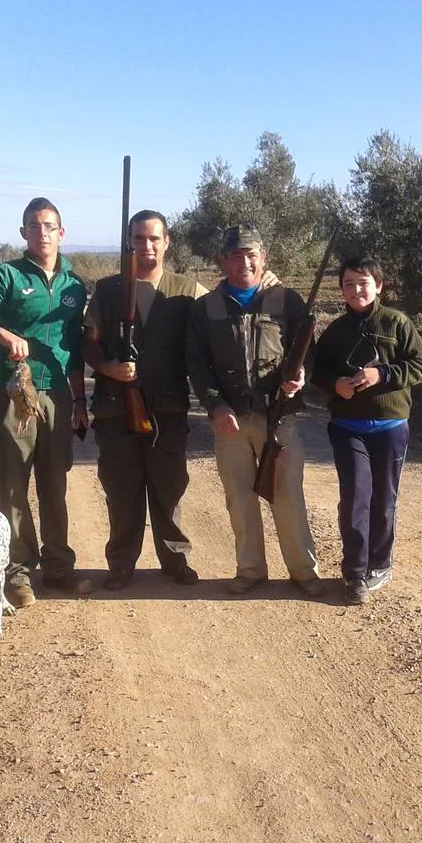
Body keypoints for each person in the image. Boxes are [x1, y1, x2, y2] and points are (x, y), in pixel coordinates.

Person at [0, 197, 92, 607]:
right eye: (33, 226)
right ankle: (17, 572)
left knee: (55, 485)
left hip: (59, 398)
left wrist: (80, 400)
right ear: (23, 232)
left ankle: (60, 567)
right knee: (13, 487)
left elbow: (76, 349)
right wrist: (0, 334)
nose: (41, 233)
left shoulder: (74, 285)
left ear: (61, 233)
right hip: (15, 396)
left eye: (49, 226)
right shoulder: (7, 276)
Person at [187, 225, 326, 597]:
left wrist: (301, 378)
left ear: (263, 257)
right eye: (235, 256)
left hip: (278, 418)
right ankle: (250, 570)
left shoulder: (288, 300)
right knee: (240, 497)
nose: (244, 263)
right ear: (223, 261)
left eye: (251, 255)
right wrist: (214, 406)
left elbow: (309, 353)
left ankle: (303, 571)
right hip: (230, 420)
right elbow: (197, 365)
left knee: (288, 496)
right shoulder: (206, 307)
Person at [81, 210, 206, 590]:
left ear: (167, 242)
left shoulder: (190, 290)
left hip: (167, 411)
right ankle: (120, 565)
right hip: (116, 410)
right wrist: (106, 367)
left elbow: (218, 331)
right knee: (121, 493)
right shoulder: (107, 290)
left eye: (154, 238)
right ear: (129, 243)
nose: (146, 246)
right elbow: (88, 340)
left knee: (170, 491)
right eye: (138, 239)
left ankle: (175, 561)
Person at [310, 256, 422, 605]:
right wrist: (336, 385)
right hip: (347, 428)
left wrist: (383, 375)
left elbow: (420, 365)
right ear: (342, 290)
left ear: (378, 286)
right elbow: (317, 372)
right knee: (355, 499)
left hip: (391, 427)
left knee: (384, 500)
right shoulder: (334, 332)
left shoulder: (397, 323)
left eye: (363, 282)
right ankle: (355, 572)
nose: (356, 289)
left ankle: (380, 563)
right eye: (349, 284)